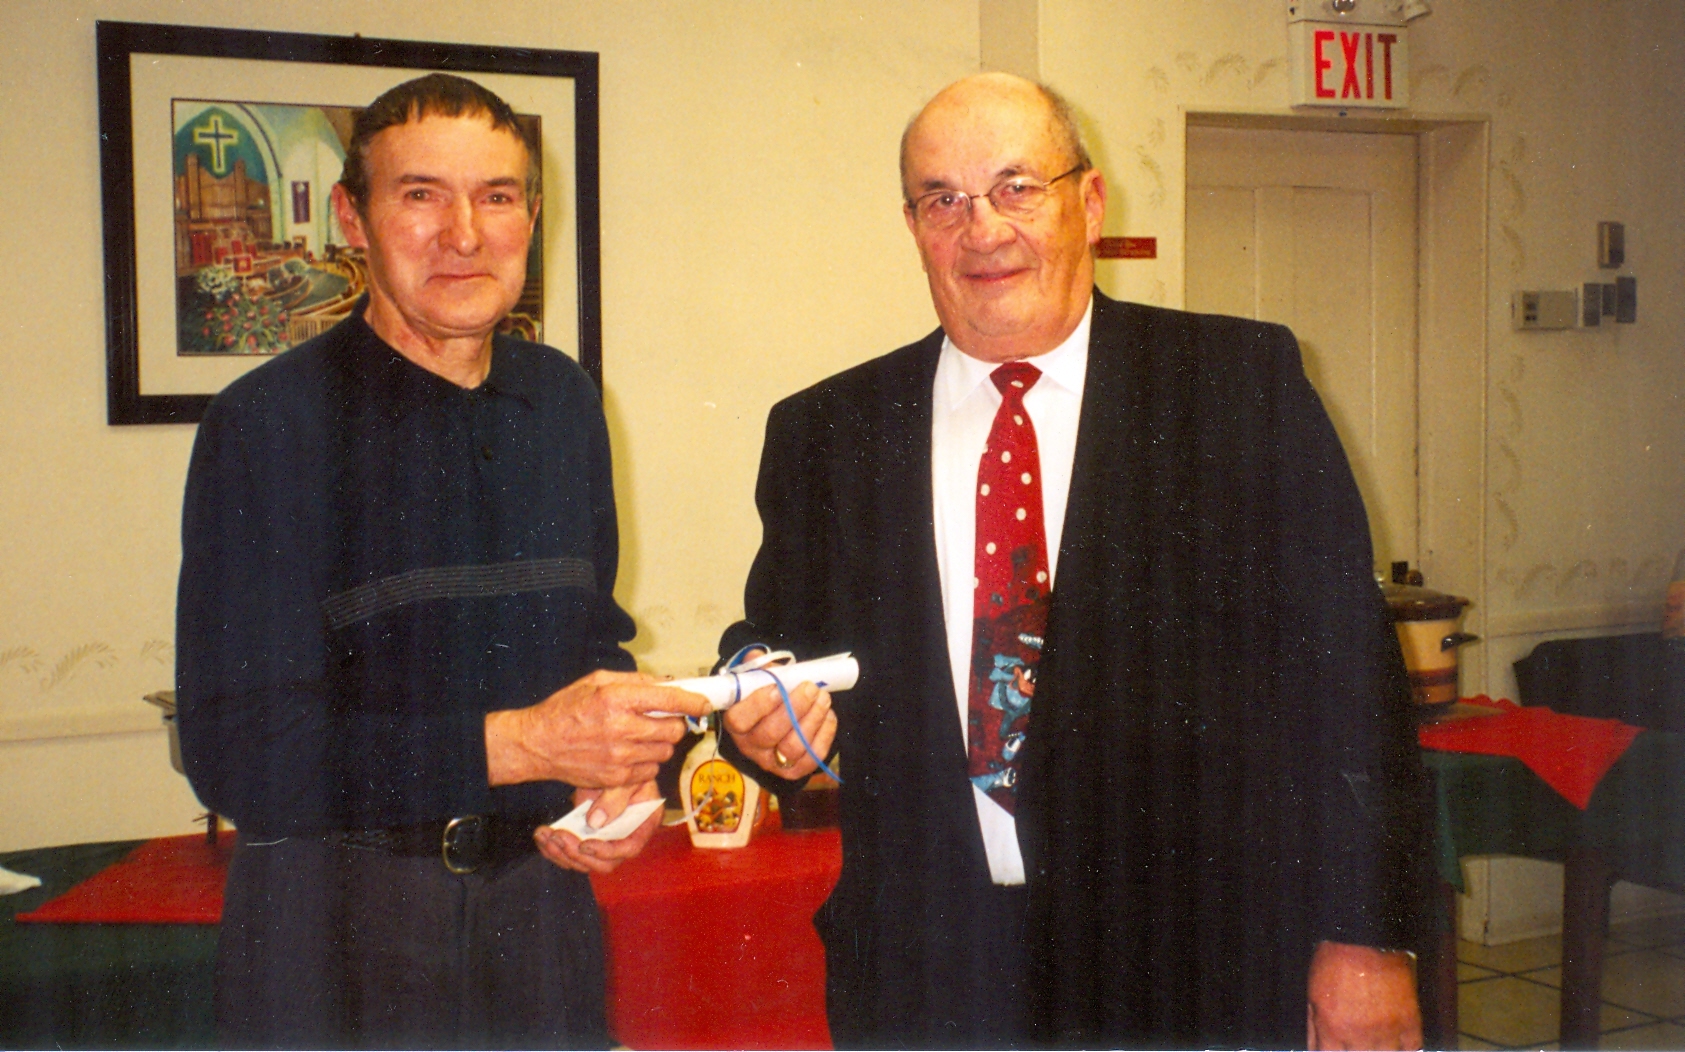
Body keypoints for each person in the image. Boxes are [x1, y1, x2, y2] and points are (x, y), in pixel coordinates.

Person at [719, 72, 1433, 1049]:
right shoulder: (828, 431)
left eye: (1017, 187)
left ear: (1087, 201)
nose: (982, 229)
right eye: (944, 199)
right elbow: (775, 643)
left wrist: (1367, 937)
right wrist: (754, 709)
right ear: (912, 224)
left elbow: (1347, 683)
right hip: (929, 976)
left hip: (1190, 969)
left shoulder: (1232, 387)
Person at [174, 73, 708, 1049]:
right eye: (420, 194)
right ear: (352, 217)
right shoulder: (267, 424)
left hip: (541, 916)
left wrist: (622, 774)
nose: (463, 232)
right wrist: (523, 746)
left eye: (497, 196)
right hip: (335, 928)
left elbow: (589, 639)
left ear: (530, 216)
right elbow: (238, 747)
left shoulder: (561, 401)